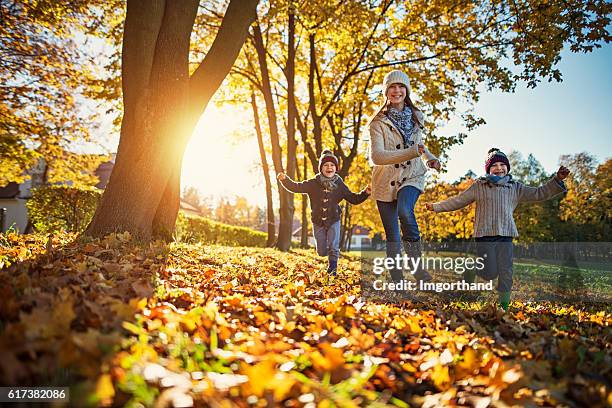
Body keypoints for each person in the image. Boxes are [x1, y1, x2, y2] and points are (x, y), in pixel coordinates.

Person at [425, 148, 570, 311]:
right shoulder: (479, 186)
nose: (499, 168)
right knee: (489, 273)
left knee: (506, 271)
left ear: (507, 168)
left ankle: (504, 307)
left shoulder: (515, 187)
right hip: (484, 236)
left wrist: (557, 179)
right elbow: (458, 200)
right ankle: (472, 268)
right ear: (488, 169)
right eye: (495, 165)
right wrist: (436, 207)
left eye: (503, 164)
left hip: (506, 236)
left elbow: (539, 193)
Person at [368, 69, 441, 283]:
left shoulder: (417, 118)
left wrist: (430, 159)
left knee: (405, 210)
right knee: (393, 237)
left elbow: (420, 147)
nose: (397, 91)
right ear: (386, 92)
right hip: (385, 181)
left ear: (406, 90)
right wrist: (415, 152)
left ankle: (417, 268)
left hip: (411, 175)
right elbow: (377, 157)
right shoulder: (377, 123)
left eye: (401, 87)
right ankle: (398, 282)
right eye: (392, 87)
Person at [277, 150, 371, 276]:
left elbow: (353, 198)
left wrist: (365, 193)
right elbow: (297, 187)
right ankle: (326, 253)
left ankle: (332, 270)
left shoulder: (339, 184)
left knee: (333, 246)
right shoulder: (313, 183)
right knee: (321, 251)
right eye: (326, 165)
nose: (329, 167)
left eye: (332, 165)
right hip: (318, 221)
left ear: (336, 168)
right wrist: (285, 180)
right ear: (321, 168)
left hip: (334, 219)